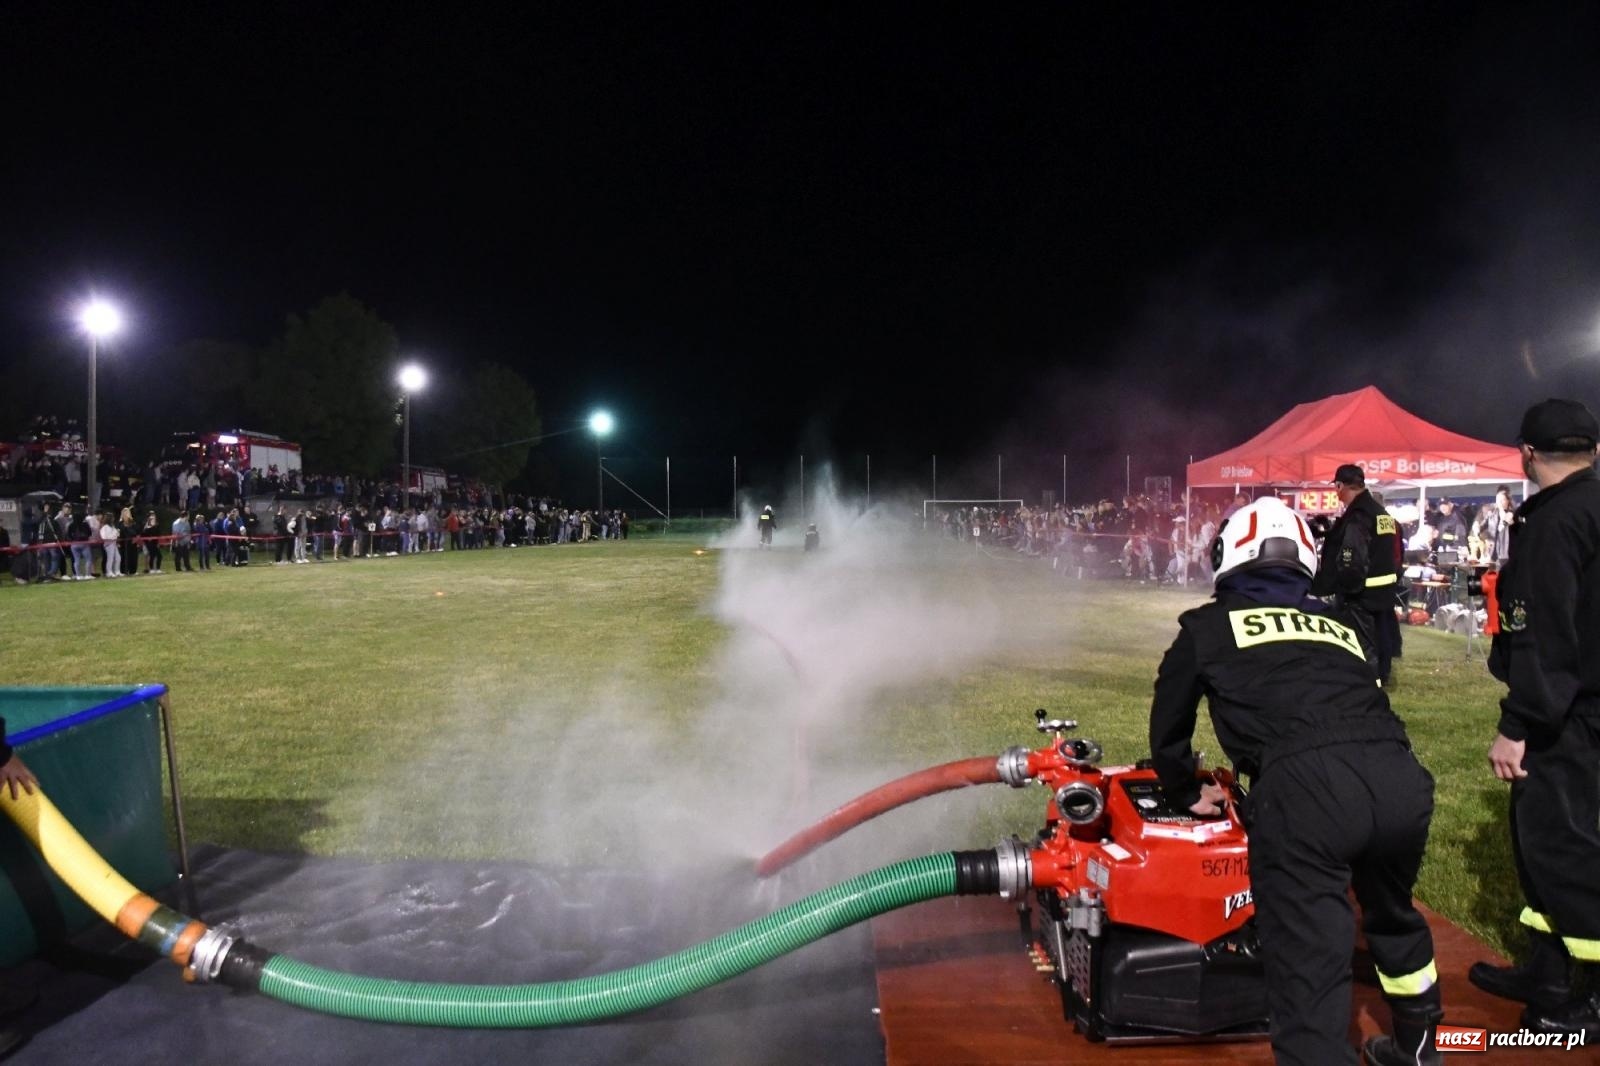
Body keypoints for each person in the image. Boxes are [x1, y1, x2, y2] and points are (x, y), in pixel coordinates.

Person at [1149, 497, 1440, 1066]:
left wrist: (1185, 789)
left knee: (1310, 955)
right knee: (1392, 915)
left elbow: (1169, 723)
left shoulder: (1206, 626)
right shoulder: (1341, 623)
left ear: (1226, 553)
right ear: (1307, 556)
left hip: (1307, 789)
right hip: (1398, 777)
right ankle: (1419, 1047)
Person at [1469, 398, 1600, 1042]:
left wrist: (1517, 724)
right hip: (1583, 701)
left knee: (1563, 847)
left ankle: (1594, 997)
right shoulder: (1589, 507)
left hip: (1568, 711)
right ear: (1594, 451)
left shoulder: (1556, 521)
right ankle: (1548, 971)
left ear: (1526, 454)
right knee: (1539, 841)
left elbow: (1547, 636)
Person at [1312, 464, 1402, 685]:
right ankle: (1381, 677)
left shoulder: (1359, 515)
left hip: (1362, 594)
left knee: (1364, 644)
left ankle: (1368, 685)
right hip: (1383, 592)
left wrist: (1345, 589)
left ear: (1340, 486)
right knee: (1380, 639)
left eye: (1336, 488)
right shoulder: (1381, 513)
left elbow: (1352, 559)